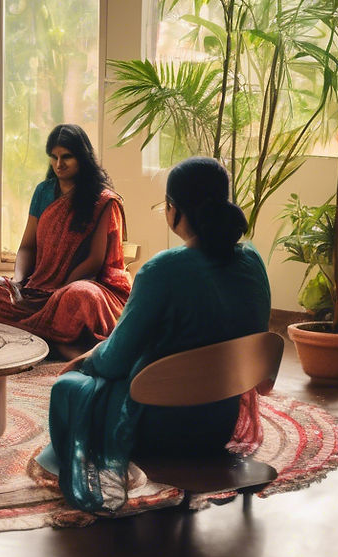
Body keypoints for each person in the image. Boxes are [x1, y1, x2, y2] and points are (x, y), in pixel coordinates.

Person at [30, 156, 270, 514]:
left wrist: (85, 360)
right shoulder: (251, 261)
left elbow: (114, 360)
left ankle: (88, 466)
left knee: (68, 387)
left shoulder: (162, 271)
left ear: (175, 211)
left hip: (159, 428)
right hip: (218, 422)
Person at [0, 124, 131, 357]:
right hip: (37, 289)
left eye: (66, 157)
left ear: (82, 158)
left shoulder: (103, 200)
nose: (59, 164)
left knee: (80, 298)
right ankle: (58, 341)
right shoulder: (43, 192)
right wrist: (18, 283)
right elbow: (27, 246)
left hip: (79, 285)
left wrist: (61, 290)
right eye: (53, 157)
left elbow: (95, 261)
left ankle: (36, 337)